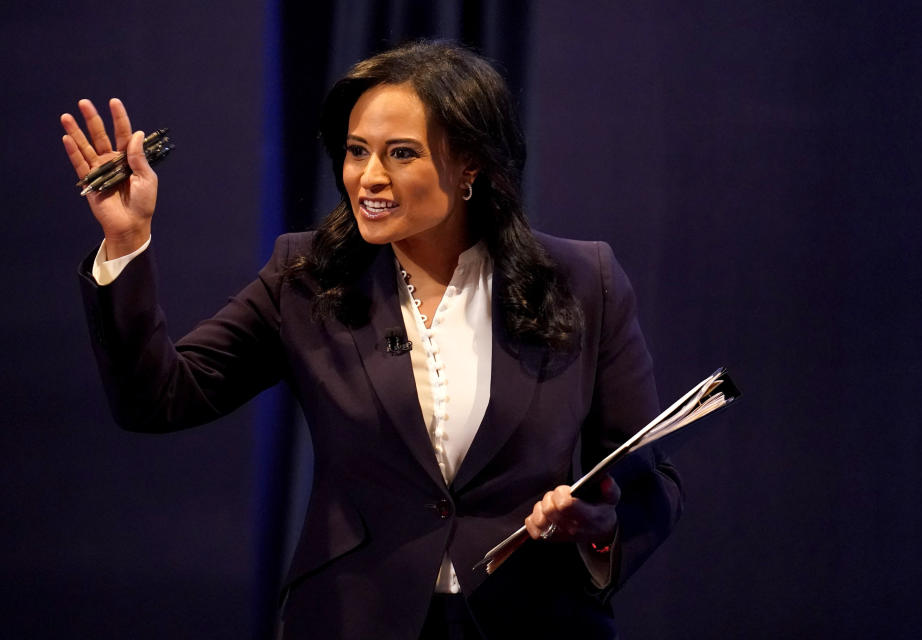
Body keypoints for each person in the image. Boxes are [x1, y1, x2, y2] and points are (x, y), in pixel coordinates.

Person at [61, 41, 682, 640]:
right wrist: (126, 244)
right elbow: (159, 397)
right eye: (357, 151)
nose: (368, 177)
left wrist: (599, 529)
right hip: (352, 616)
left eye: (401, 153)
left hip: (534, 619)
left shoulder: (582, 281)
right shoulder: (306, 277)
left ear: (471, 164)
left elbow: (645, 481)